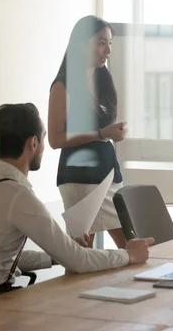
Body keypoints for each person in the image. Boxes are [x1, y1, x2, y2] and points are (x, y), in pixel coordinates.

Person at [0, 103, 154, 295]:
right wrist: (129, 255)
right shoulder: (17, 194)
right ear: (33, 143)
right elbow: (78, 261)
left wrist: (58, 254)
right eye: (43, 138)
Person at [49, 15, 128, 249]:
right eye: (101, 42)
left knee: (131, 246)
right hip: (79, 177)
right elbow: (55, 139)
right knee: (81, 255)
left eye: (109, 43)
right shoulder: (63, 85)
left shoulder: (103, 80)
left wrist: (115, 133)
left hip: (109, 175)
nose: (107, 50)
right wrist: (101, 133)